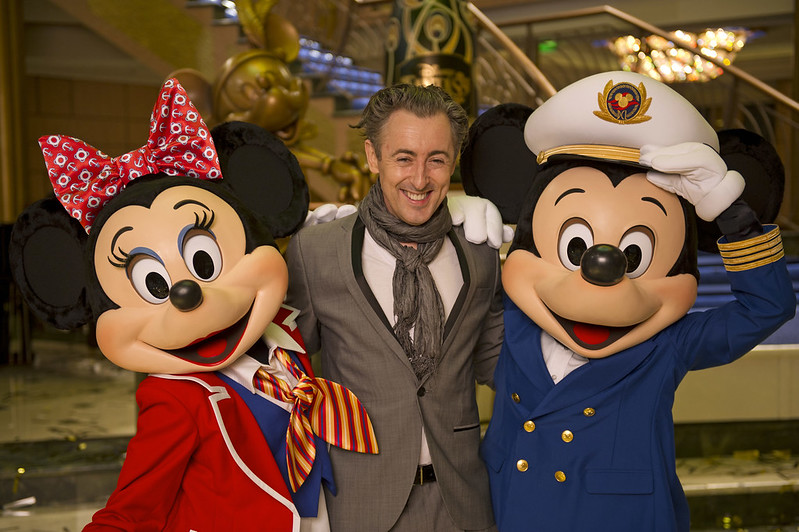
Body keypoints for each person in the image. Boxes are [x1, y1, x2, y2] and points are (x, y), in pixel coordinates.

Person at [284, 83, 503, 532]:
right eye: (404, 158)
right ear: (372, 156)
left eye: (436, 160)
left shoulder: (480, 251)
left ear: (453, 161)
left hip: (462, 501)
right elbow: (285, 375)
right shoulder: (317, 251)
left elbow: (501, 365)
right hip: (360, 503)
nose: (419, 180)